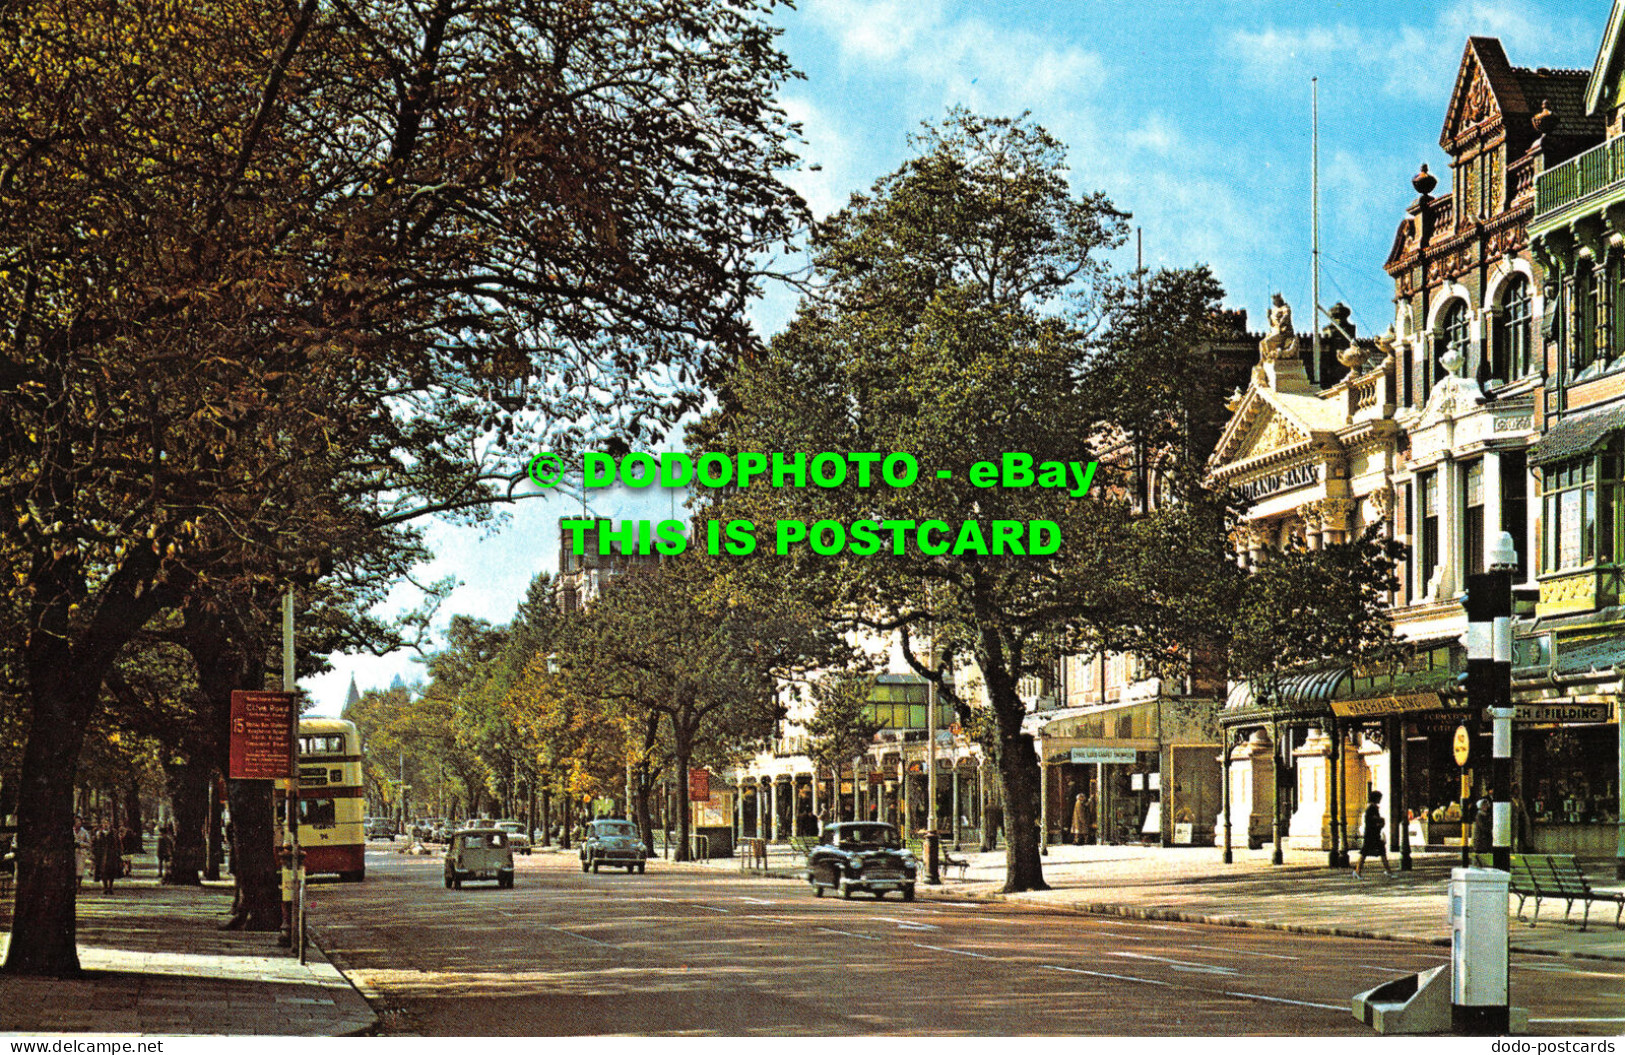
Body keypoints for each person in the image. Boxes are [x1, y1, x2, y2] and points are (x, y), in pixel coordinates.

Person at [1352, 791, 1393, 879]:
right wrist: (1380, 821)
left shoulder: (1373, 808)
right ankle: (1357, 871)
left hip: (1375, 834)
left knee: (1381, 852)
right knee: (1365, 853)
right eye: (1379, 798)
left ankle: (1388, 871)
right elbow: (1371, 821)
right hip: (1371, 835)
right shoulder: (1371, 809)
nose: (1380, 800)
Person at [92, 819, 120, 893]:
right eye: (104, 823)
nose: (106, 825)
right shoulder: (98, 833)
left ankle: (110, 887)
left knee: (112, 871)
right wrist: (94, 853)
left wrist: (118, 853)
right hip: (102, 855)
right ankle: (105, 887)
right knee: (103, 871)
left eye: (107, 823)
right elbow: (94, 844)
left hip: (112, 854)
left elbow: (118, 843)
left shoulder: (114, 833)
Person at [73, 817, 91, 890]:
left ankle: (79, 886)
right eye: (76, 821)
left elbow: (89, 843)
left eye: (79, 821)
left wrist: (81, 844)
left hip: (81, 853)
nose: (78, 823)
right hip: (73, 852)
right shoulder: (71, 831)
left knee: (80, 870)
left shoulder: (84, 832)